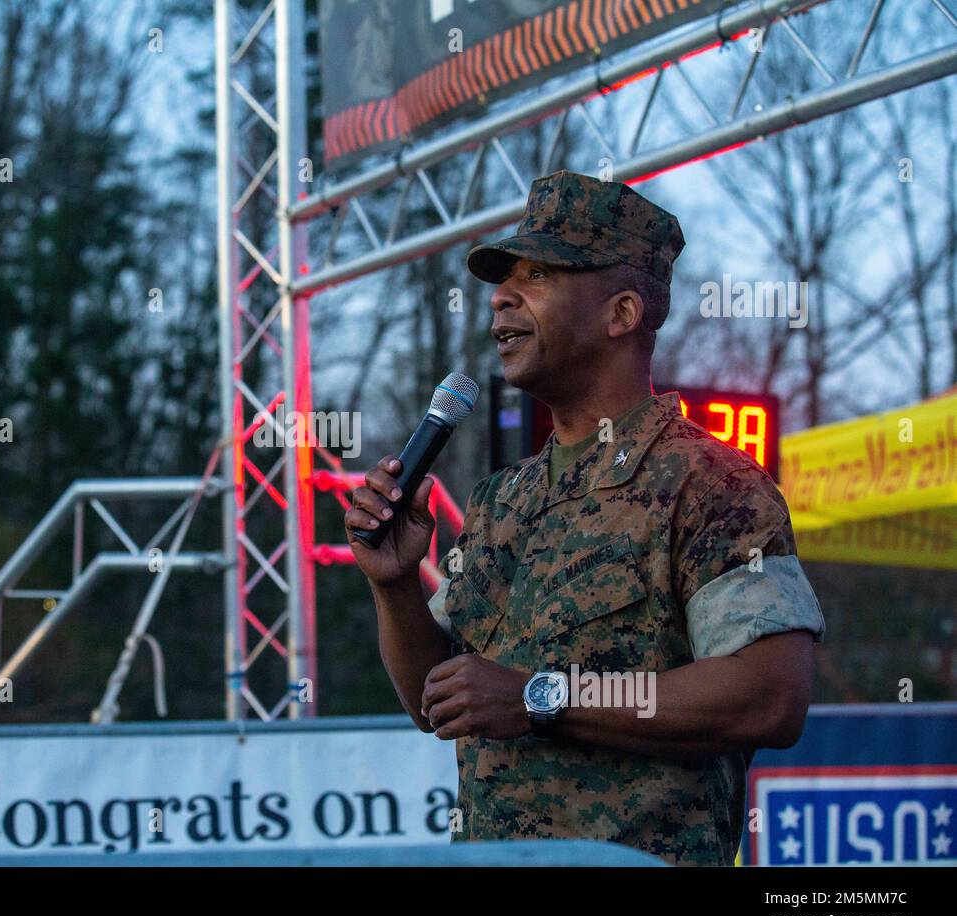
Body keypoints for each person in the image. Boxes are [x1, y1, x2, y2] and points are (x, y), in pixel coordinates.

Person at [344, 170, 826, 866]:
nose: (502, 297)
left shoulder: (708, 482)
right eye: (502, 280)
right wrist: (393, 584)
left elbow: (771, 696)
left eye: (538, 274)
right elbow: (437, 703)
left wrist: (541, 698)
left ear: (622, 313)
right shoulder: (500, 501)